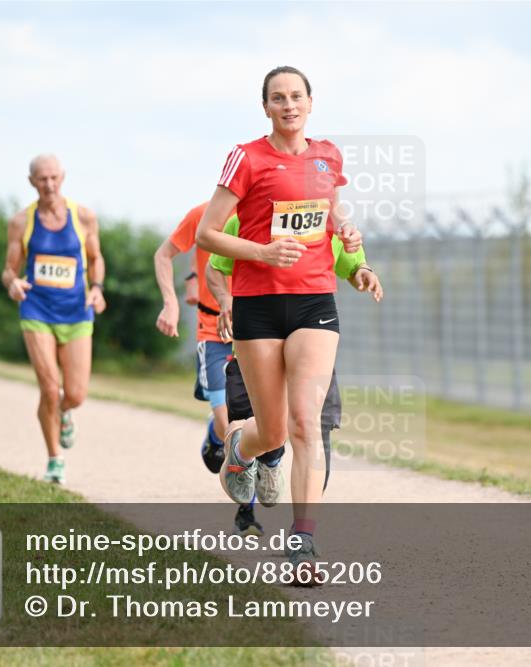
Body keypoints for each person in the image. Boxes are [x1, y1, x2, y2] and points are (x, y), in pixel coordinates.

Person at [196, 65, 362, 584]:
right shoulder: (246, 157)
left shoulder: (327, 155)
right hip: (258, 305)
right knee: (271, 433)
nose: (288, 105)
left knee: (304, 423)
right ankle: (239, 453)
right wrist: (262, 251)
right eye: (277, 98)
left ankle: (303, 543)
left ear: (311, 102)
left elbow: (329, 211)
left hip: (315, 299)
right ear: (265, 107)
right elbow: (207, 234)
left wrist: (347, 231)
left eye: (296, 96)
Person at [205, 213, 382, 538]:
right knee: (264, 428)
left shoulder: (325, 217)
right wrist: (225, 300)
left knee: (316, 427)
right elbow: (215, 267)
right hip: (258, 336)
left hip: (312, 334)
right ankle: (256, 473)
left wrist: (363, 272)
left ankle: (302, 535)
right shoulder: (244, 217)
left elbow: (352, 265)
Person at [2, 155, 107, 484]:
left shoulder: (84, 216)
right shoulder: (22, 221)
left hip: (77, 312)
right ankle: (54, 461)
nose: (48, 184)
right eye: (41, 179)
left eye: (53, 178)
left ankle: (64, 411)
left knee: (74, 394)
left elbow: (95, 258)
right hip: (37, 311)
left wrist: (98, 288)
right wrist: (13, 284)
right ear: (31, 181)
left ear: (62, 177)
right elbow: (8, 270)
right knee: (49, 388)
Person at [153, 202, 233, 480]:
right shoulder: (203, 213)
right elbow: (165, 254)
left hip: (257, 329)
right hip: (213, 329)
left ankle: (247, 510)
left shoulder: (267, 211)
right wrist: (171, 302)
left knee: (258, 423)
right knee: (227, 426)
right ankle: (216, 429)